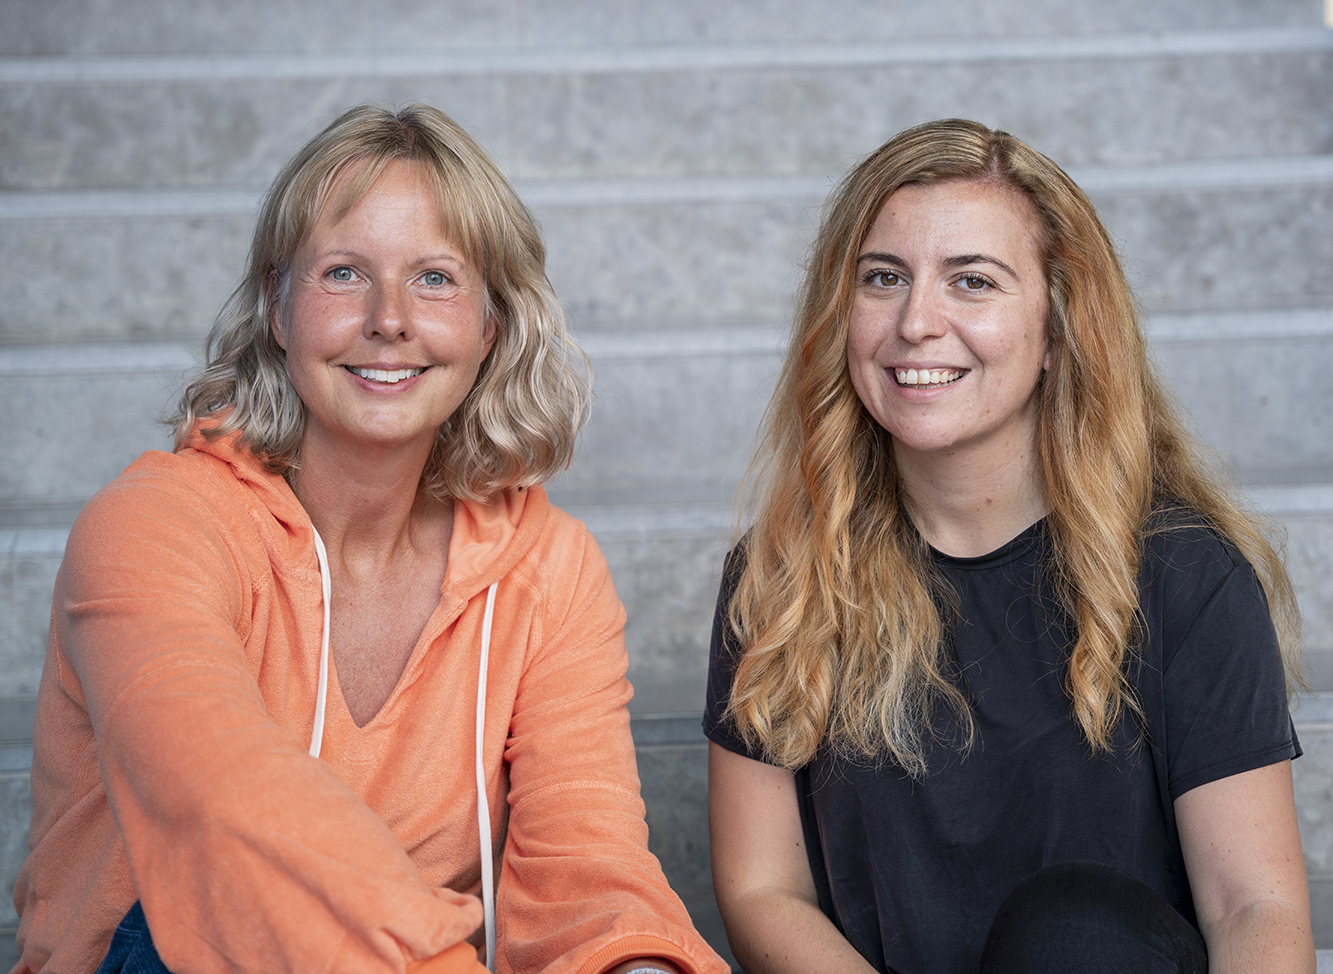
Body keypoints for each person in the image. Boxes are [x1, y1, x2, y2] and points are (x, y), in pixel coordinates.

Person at [15, 103, 727, 974]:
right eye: (345, 273)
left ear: (488, 327)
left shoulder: (548, 569)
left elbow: (588, 867)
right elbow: (229, 812)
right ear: (279, 311)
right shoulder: (154, 528)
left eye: (434, 278)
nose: (389, 319)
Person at [704, 118, 1314, 974]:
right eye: (883, 279)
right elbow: (764, 890)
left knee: (1075, 930)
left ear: (1058, 328)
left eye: (972, 282)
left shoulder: (1182, 573)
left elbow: (1254, 907)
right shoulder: (782, 577)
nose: (916, 321)